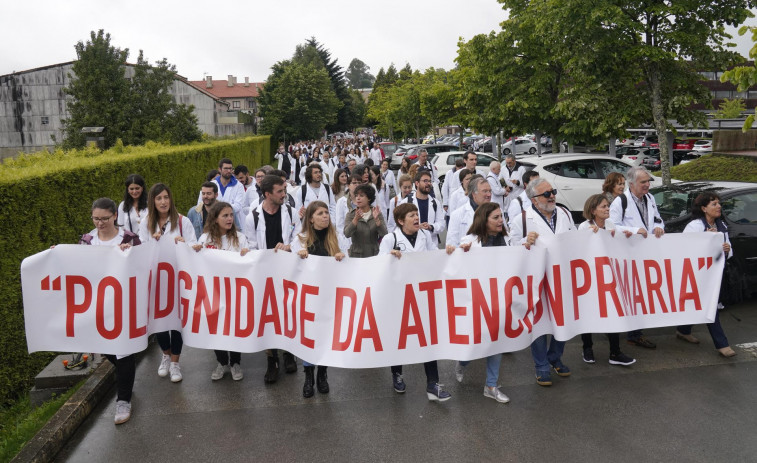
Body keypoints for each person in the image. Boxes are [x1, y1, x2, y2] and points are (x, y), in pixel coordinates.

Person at [378, 203, 450, 402]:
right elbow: (377, 264)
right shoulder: (390, 239)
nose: (417, 217)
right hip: (398, 297)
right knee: (399, 338)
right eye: (412, 215)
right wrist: (388, 258)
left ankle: (432, 384)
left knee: (428, 338)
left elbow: (435, 256)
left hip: (421, 295)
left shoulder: (425, 236)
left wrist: (449, 253)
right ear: (401, 221)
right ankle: (397, 374)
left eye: (417, 214)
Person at [78, 198, 140, 424]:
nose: (100, 223)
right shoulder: (86, 240)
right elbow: (77, 267)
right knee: (107, 348)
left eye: (104, 218)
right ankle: (127, 380)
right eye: (96, 219)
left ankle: (123, 400)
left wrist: (129, 253)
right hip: (98, 306)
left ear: (115, 216)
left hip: (124, 306)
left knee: (123, 351)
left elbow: (141, 269)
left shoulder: (130, 239)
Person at [508, 178, 574, 386]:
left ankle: (555, 357)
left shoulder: (564, 214)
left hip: (561, 277)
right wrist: (524, 242)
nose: (552, 196)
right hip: (536, 280)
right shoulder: (523, 220)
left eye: (552, 191)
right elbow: (511, 246)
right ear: (534, 200)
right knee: (538, 323)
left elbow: (573, 239)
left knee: (562, 320)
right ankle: (542, 366)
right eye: (546, 194)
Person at [447, 203, 511, 403]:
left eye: (501, 216)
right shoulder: (470, 241)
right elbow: (456, 266)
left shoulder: (509, 240)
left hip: (501, 299)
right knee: (475, 342)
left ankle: (491, 385)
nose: (501, 220)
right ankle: (463, 362)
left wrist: (530, 241)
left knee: (496, 342)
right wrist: (459, 251)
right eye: (496, 217)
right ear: (484, 220)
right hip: (478, 299)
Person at [244, 175, 301, 382]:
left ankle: (288, 353)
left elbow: (300, 238)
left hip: (287, 271)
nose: (284, 195)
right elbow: (251, 246)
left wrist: (289, 247)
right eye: (280, 192)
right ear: (267, 194)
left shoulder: (291, 212)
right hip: (265, 273)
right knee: (267, 316)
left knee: (287, 313)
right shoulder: (253, 217)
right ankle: (271, 359)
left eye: (284, 191)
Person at [138, 183, 197, 383]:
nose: (163, 202)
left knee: (177, 322)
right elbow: (141, 249)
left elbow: (194, 246)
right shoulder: (146, 223)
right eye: (158, 198)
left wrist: (184, 244)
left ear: (170, 199)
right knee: (160, 321)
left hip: (178, 279)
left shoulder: (182, 221)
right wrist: (152, 242)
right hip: (157, 281)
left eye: (166, 197)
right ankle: (165, 354)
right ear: (153, 202)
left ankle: (175, 362)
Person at [292, 201, 346, 397]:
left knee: (325, 338)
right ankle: (308, 376)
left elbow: (349, 265)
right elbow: (290, 268)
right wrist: (298, 257)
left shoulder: (337, 238)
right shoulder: (300, 240)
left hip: (330, 296)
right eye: (320, 213)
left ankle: (322, 374)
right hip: (309, 298)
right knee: (309, 339)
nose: (325, 216)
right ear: (311, 218)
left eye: (326, 213)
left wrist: (341, 257)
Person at [192, 201, 250, 381]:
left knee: (233, 328)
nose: (229, 218)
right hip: (213, 292)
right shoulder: (205, 239)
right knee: (216, 329)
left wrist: (247, 254)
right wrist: (194, 251)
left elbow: (249, 263)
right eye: (225, 215)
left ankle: (235, 362)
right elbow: (196, 263)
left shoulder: (240, 238)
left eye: (231, 215)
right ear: (215, 219)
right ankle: (222, 361)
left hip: (234, 292)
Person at [675, 192, 737, 357]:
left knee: (699, 303)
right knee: (710, 307)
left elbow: (729, 252)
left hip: (714, 276)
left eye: (718, 203)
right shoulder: (694, 226)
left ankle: (683, 330)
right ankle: (722, 344)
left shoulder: (721, 225)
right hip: (696, 275)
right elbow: (684, 250)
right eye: (714, 204)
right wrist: (706, 240)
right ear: (704, 208)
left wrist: (726, 249)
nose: (718, 207)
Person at [577, 194, 636, 366]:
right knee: (588, 313)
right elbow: (579, 250)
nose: (607, 209)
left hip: (609, 277)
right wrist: (590, 237)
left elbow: (620, 241)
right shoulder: (584, 227)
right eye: (603, 206)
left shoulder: (610, 225)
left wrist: (625, 235)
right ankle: (587, 348)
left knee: (612, 311)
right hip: (590, 277)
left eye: (608, 206)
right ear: (593, 210)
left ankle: (615, 352)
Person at [609, 166, 664, 349]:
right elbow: (613, 227)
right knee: (629, 294)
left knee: (642, 294)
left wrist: (659, 227)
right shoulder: (620, 202)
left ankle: (635, 334)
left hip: (646, 254)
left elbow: (657, 218)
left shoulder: (650, 198)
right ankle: (628, 330)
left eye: (648, 181)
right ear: (632, 184)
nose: (647, 185)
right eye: (643, 182)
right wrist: (634, 230)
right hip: (628, 255)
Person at [446, 177, 492, 247]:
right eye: (485, 191)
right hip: (467, 256)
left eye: (490, 191)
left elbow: (504, 236)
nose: (489, 195)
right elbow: (451, 245)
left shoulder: (496, 211)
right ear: (474, 194)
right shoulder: (457, 215)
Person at [202, 158, 246, 231]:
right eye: (226, 168)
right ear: (220, 169)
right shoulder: (212, 184)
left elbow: (238, 206)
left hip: (232, 222)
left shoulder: (239, 186)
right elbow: (203, 202)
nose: (229, 171)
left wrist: (218, 208)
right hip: (214, 222)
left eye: (230, 168)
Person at [344, 184, 387, 257]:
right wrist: (355, 220)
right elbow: (347, 234)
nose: (358, 198)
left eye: (361, 196)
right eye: (356, 195)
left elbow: (385, 234)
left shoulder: (376, 213)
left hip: (374, 254)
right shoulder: (351, 214)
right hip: (357, 255)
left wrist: (377, 221)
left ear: (369, 198)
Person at [335, 174, 362, 253]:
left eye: (359, 182)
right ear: (348, 185)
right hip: (347, 240)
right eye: (354, 183)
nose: (357, 185)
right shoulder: (341, 201)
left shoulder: (365, 201)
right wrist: (345, 240)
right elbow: (339, 225)